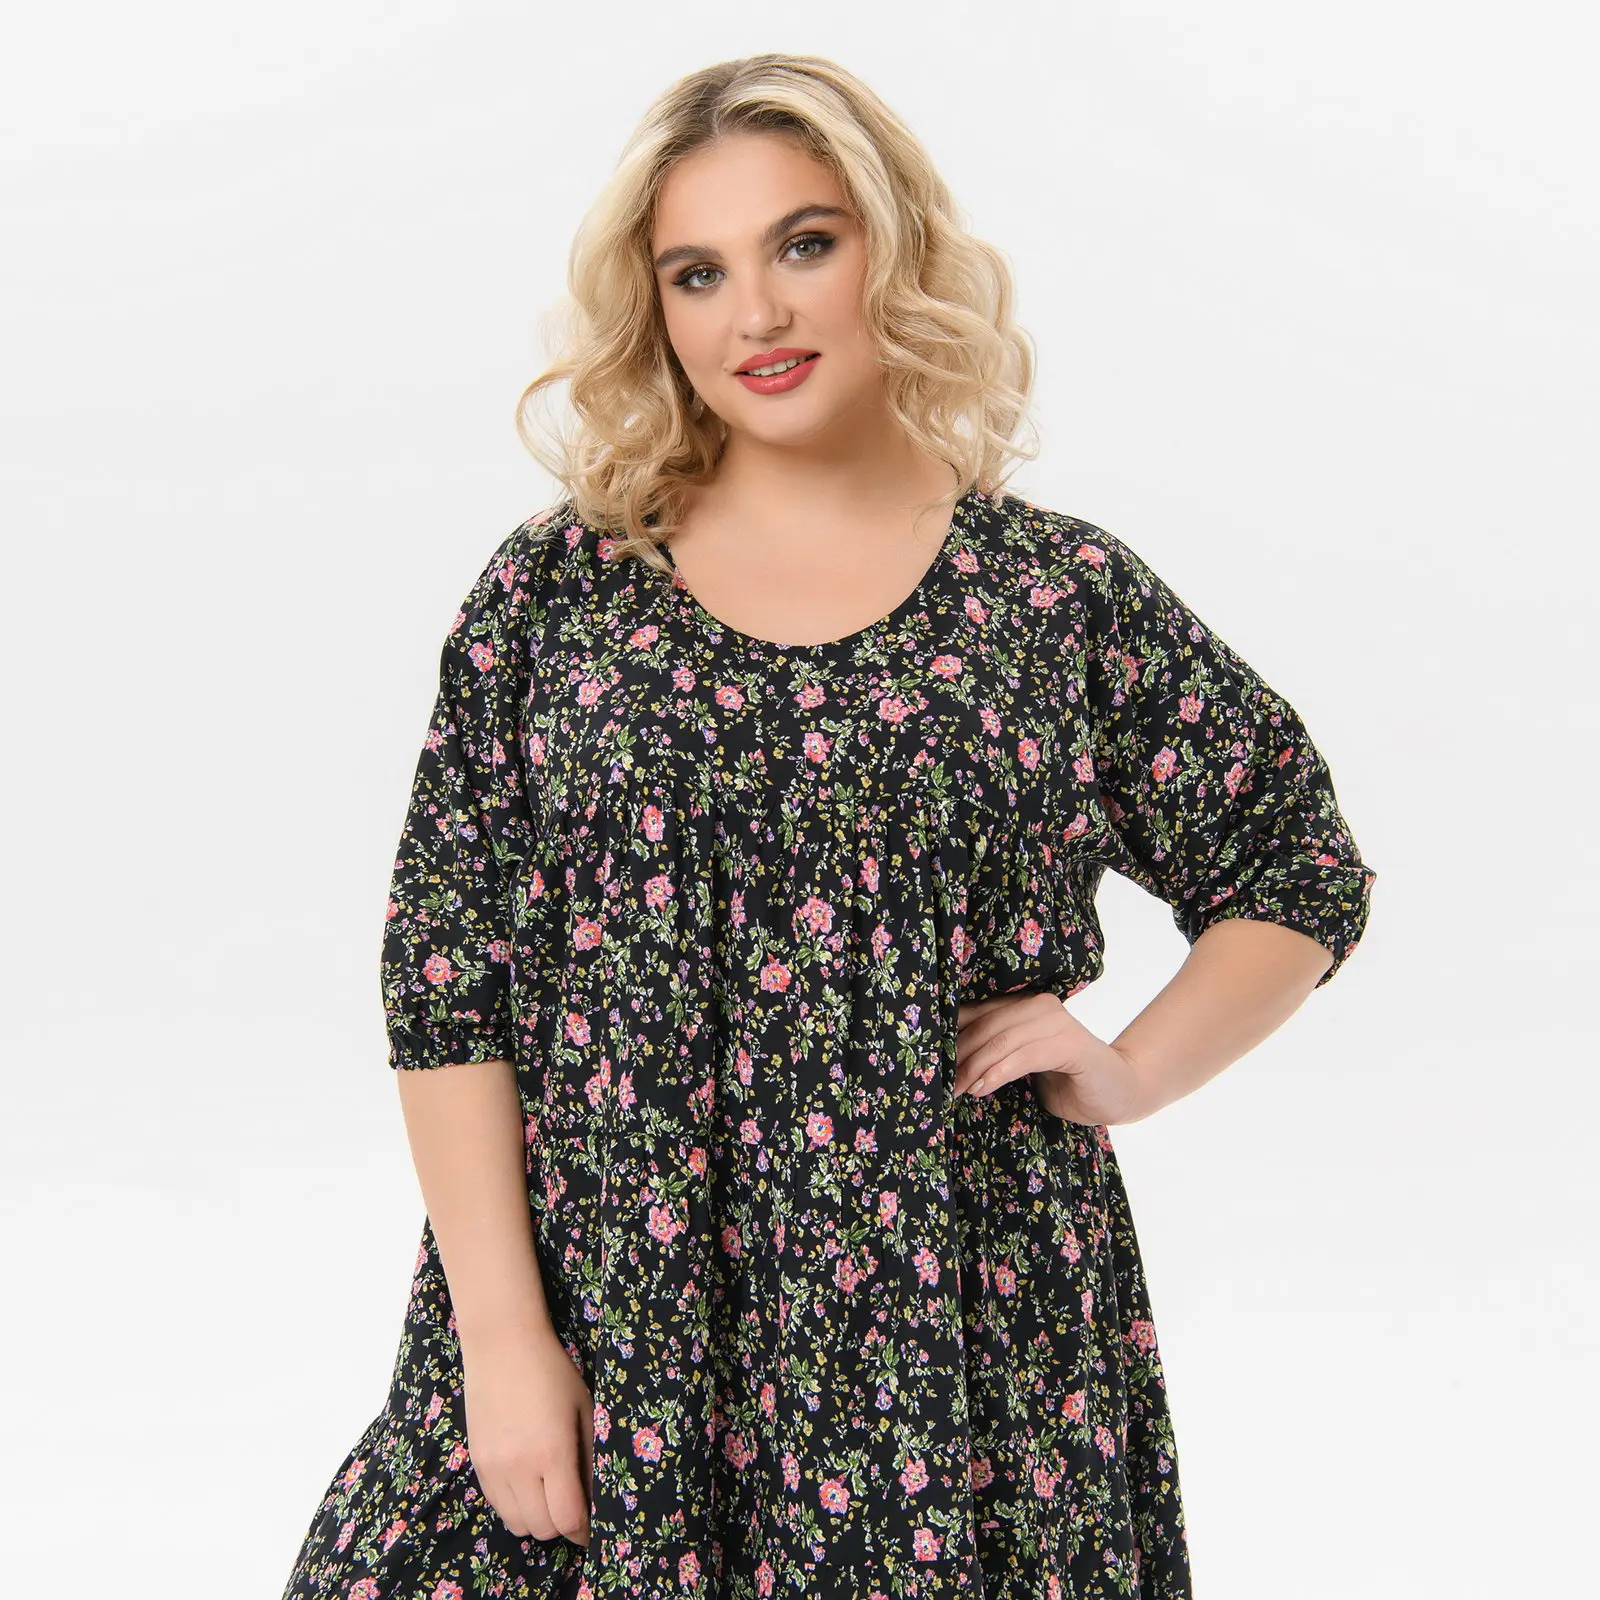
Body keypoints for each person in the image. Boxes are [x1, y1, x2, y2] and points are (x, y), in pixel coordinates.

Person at [280, 52, 1377, 1600]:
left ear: (893, 247)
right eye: (698, 272)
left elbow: (1293, 862)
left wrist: (1134, 1067)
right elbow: (448, 981)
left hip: (959, 1337)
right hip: (617, 1313)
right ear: (655, 308)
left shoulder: (1047, 599)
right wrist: (503, 1338)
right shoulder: (558, 594)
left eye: (804, 243)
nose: (757, 313)